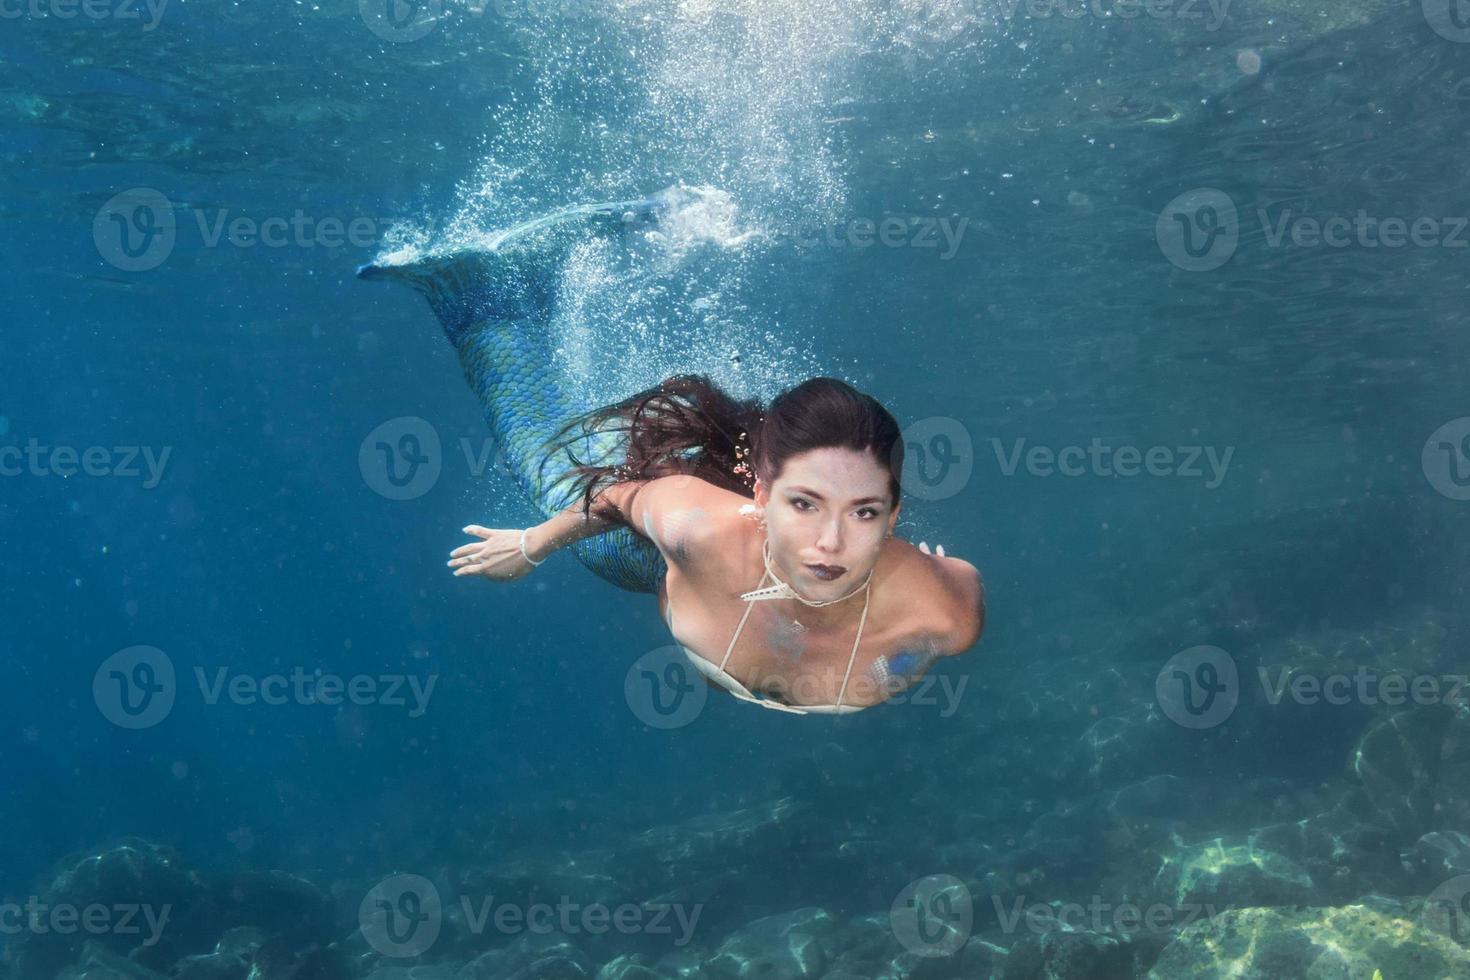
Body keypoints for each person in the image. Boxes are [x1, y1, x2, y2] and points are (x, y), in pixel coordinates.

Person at [359, 186, 984, 715]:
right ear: (761, 497)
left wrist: (925, 570)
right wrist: (531, 545)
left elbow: (964, 584)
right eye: (804, 504)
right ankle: (480, 295)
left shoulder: (944, 612)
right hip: (665, 550)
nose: (830, 544)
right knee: (555, 473)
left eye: (866, 513)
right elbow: (617, 498)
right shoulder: (699, 528)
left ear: (895, 515)